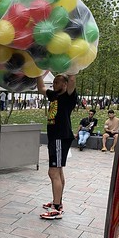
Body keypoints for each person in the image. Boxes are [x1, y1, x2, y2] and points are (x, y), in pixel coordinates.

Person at [36, 74, 77, 220]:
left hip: (60, 137)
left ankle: (56, 208)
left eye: (57, 82)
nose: (53, 84)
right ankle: (58, 202)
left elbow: (72, 79)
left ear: (65, 84)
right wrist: (39, 72)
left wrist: (72, 64)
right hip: (55, 138)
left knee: (53, 172)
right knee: (58, 171)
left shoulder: (69, 96)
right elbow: (41, 87)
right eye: (53, 82)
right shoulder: (53, 95)